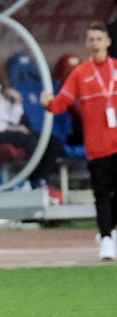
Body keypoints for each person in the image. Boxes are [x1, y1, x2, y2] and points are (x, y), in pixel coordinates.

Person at [42, 23, 117, 261]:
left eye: (98, 38)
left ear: (107, 42)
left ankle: (108, 230)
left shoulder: (116, 69)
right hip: (97, 146)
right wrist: (47, 103)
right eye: (90, 39)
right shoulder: (81, 73)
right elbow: (61, 103)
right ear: (86, 44)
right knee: (102, 194)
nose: (94, 43)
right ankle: (106, 238)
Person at [0, 54, 64, 190]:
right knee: (33, 143)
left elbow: (14, 119)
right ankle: (29, 182)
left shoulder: (2, 91)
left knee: (53, 142)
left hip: (11, 131)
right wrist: (11, 129)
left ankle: (37, 179)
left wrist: (17, 101)